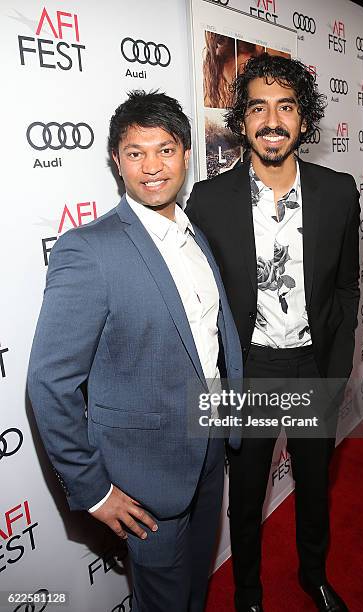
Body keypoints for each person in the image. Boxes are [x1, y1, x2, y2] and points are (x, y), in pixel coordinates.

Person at [27, 90, 242, 612]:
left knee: (195, 591)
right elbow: (49, 383)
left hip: (210, 448)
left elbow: (214, 339)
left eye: (165, 150)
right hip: (146, 479)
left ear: (187, 155)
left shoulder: (194, 234)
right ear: (116, 161)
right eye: (135, 152)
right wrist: (95, 491)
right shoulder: (89, 249)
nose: (152, 167)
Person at [187, 54, 360, 612]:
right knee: (247, 496)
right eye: (258, 107)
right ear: (241, 121)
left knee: (314, 488)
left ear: (303, 120)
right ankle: (248, 594)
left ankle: (315, 576)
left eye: (285, 106)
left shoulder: (338, 192)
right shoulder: (209, 202)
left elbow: (346, 287)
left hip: (314, 366)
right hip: (252, 368)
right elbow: (200, 302)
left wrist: (336, 365)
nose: (271, 120)